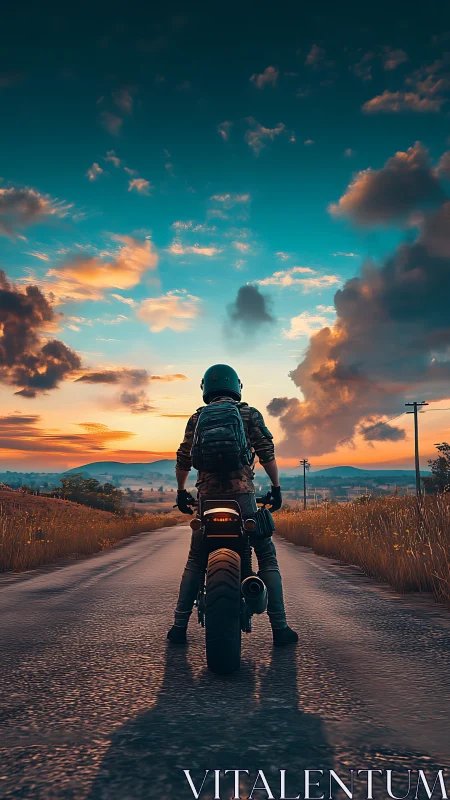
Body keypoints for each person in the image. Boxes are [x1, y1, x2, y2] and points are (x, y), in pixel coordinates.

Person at [167, 363, 298, 647]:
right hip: (242, 498)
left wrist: (181, 492)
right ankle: (280, 628)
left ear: (206, 388)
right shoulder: (249, 413)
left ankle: (178, 626)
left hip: (207, 499)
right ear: (236, 386)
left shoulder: (198, 417)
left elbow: (183, 458)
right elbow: (266, 453)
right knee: (265, 555)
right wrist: (275, 489)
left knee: (196, 559)